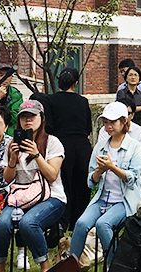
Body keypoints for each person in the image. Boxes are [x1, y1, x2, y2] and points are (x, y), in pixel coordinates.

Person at [0, 101, 66, 272]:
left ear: (42, 118)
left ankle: (45, 267)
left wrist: (37, 155)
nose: (28, 120)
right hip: (21, 197)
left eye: (32, 116)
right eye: (24, 117)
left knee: (28, 223)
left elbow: (53, 175)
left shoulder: (52, 142)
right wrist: (11, 160)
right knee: (1, 224)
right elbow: (8, 179)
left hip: (52, 197)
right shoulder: (12, 145)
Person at [69, 102, 141, 264]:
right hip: (103, 198)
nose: (108, 126)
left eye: (112, 122)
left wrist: (112, 167)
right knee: (81, 223)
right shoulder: (101, 146)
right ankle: (71, 265)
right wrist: (99, 171)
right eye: (105, 122)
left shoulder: (134, 146)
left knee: (102, 224)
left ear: (124, 121)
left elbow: (134, 178)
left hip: (125, 201)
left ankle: (115, 265)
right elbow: (91, 181)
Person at [45, 68, 94, 227]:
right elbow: (88, 128)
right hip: (82, 146)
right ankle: (79, 220)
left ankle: (62, 221)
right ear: (76, 83)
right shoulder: (83, 101)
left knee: (63, 183)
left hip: (61, 145)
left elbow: (49, 126)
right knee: (82, 184)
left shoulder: (50, 100)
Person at [99, 100, 141, 201]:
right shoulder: (105, 131)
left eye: (127, 113)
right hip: (112, 171)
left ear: (132, 115)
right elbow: (102, 155)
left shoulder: (139, 132)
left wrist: (137, 176)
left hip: (134, 171)